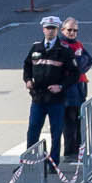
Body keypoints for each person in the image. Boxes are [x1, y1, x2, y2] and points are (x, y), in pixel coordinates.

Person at [23, 16, 72, 168]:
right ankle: (29, 162)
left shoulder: (64, 50)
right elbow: (27, 65)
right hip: (38, 97)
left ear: (57, 30)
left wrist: (61, 87)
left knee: (56, 133)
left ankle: (54, 163)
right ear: (43, 29)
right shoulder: (36, 47)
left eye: (53, 28)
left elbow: (74, 74)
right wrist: (28, 80)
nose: (50, 31)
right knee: (33, 130)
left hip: (56, 99)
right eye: (48, 28)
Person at [59, 16, 92, 160]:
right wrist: (79, 61)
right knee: (69, 120)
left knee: (79, 119)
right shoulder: (61, 45)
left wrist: (79, 63)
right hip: (69, 88)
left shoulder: (78, 44)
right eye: (69, 30)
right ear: (63, 30)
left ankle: (79, 149)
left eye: (75, 30)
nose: (72, 33)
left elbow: (89, 60)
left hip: (79, 86)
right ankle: (69, 151)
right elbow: (74, 66)